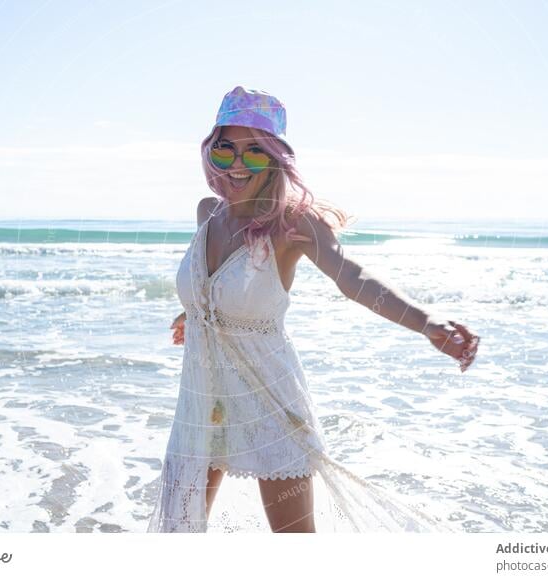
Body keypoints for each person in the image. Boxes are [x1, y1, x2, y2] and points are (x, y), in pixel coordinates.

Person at [147, 86, 480, 533]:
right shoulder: (208, 213)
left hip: (270, 401)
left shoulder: (293, 224)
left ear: (277, 158)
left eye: (256, 152)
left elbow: (353, 277)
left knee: (295, 543)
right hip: (204, 401)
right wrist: (196, 315)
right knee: (177, 530)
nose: (240, 164)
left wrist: (425, 322)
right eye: (227, 150)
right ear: (212, 151)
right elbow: (214, 289)